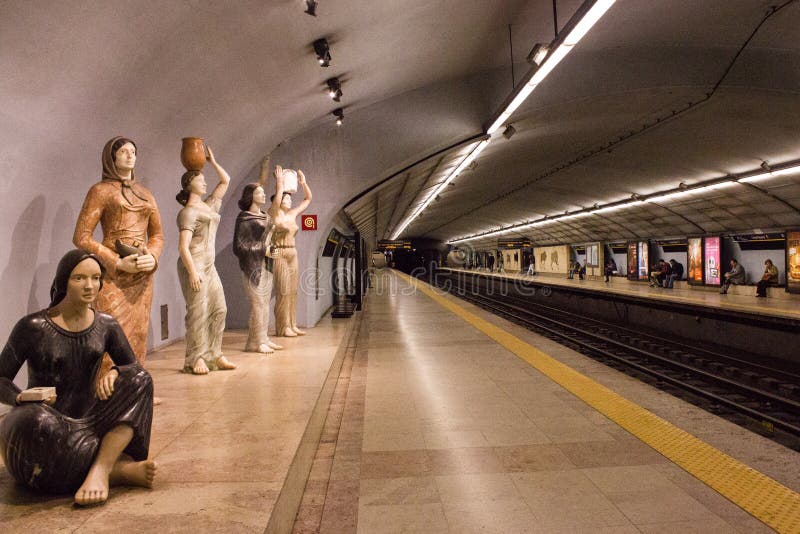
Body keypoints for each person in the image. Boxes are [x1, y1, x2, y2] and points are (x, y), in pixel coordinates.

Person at [0, 250, 155, 505]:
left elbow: (132, 368)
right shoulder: (33, 326)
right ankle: (116, 469)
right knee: (34, 421)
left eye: (96, 278)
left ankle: (100, 469)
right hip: (47, 426)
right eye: (79, 278)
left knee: (141, 379)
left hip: (89, 423)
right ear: (63, 281)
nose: (90, 286)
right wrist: (19, 397)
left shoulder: (106, 325)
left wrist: (116, 372)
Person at [73, 137, 164, 379]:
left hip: (142, 274)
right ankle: (107, 389)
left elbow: (157, 235)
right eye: (123, 151)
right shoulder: (100, 191)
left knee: (139, 332)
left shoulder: (145, 194)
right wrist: (115, 261)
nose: (129, 155)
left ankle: (135, 387)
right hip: (113, 274)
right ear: (111, 158)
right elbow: (81, 236)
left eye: (133, 151)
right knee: (110, 330)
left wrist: (152, 258)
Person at [176, 147, 236, 374]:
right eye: (200, 180)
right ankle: (195, 357)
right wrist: (192, 272)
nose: (204, 183)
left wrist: (212, 161)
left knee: (219, 309)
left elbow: (226, 180)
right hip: (195, 263)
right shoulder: (188, 212)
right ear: (189, 184)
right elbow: (183, 246)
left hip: (209, 266)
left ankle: (214, 353)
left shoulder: (207, 205)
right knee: (198, 311)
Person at [233, 157, 284, 354]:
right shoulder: (245, 218)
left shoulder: (264, 216)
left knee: (264, 304)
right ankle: (256, 342)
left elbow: (275, 209)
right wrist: (264, 248)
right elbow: (239, 246)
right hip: (252, 266)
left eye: (263, 192)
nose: (263, 195)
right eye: (260, 192)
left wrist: (279, 185)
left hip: (266, 265)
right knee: (257, 304)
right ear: (251, 196)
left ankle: (261, 338)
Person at [269, 165, 313, 337]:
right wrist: (279, 184)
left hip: (292, 253)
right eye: (285, 199)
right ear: (278, 200)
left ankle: (292, 323)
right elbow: (277, 198)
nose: (289, 201)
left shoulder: (292, 214)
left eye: (289, 199)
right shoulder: (274, 213)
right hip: (280, 253)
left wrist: (303, 183)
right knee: (283, 291)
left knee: (293, 291)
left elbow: (308, 199)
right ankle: (282, 326)